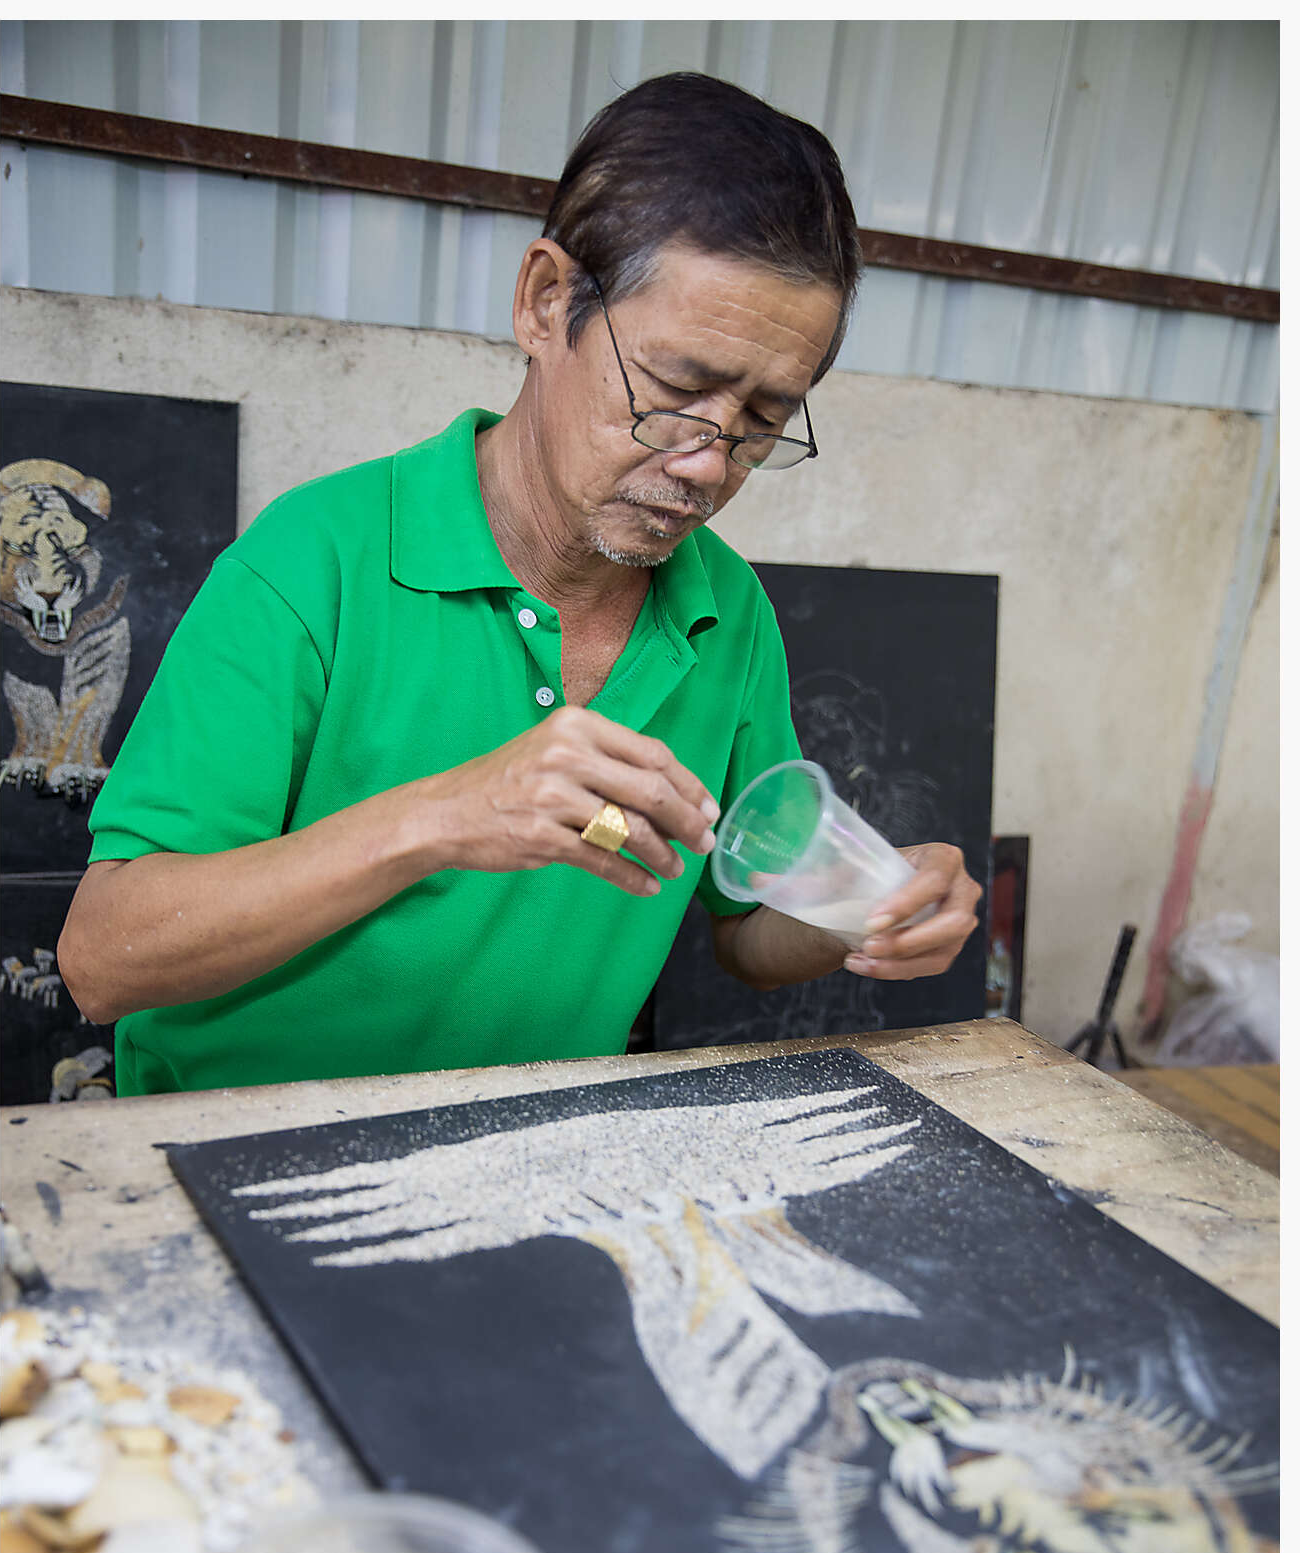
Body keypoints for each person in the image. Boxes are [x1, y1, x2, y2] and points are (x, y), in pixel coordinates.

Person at [58, 72, 981, 1097]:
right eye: (675, 389)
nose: (710, 463)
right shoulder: (316, 559)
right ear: (547, 303)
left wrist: (863, 906)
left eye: (764, 416)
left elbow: (744, 934)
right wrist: (448, 814)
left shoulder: (728, 614)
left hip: (533, 1147)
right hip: (238, 1144)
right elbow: (105, 959)